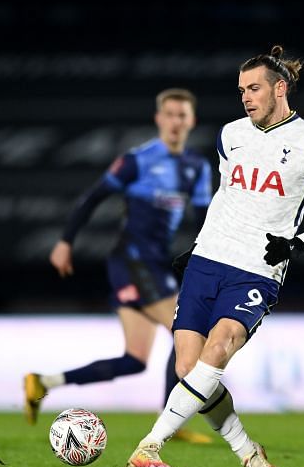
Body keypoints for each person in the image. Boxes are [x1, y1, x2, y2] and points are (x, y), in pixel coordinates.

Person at [124, 45, 304, 467]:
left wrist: (297, 245)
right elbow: (227, 197)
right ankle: (250, 454)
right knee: (190, 372)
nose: (246, 97)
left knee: (220, 346)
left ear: (280, 88)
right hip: (209, 259)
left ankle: (150, 444)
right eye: (241, 90)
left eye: (254, 88)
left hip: (257, 269)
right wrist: (197, 246)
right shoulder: (231, 134)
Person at [24, 88, 213, 444]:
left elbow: (205, 221)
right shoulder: (137, 160)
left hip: (154, 266)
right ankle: (169, 421)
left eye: (182, 115)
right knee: (186, 327)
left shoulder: (197, 168)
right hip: (131, 262)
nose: (175, 121)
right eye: (169, 114)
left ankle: (43, 383)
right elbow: (92, 197)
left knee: (136, 359)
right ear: (159, 119)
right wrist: (66, 241)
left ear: (191, 121)